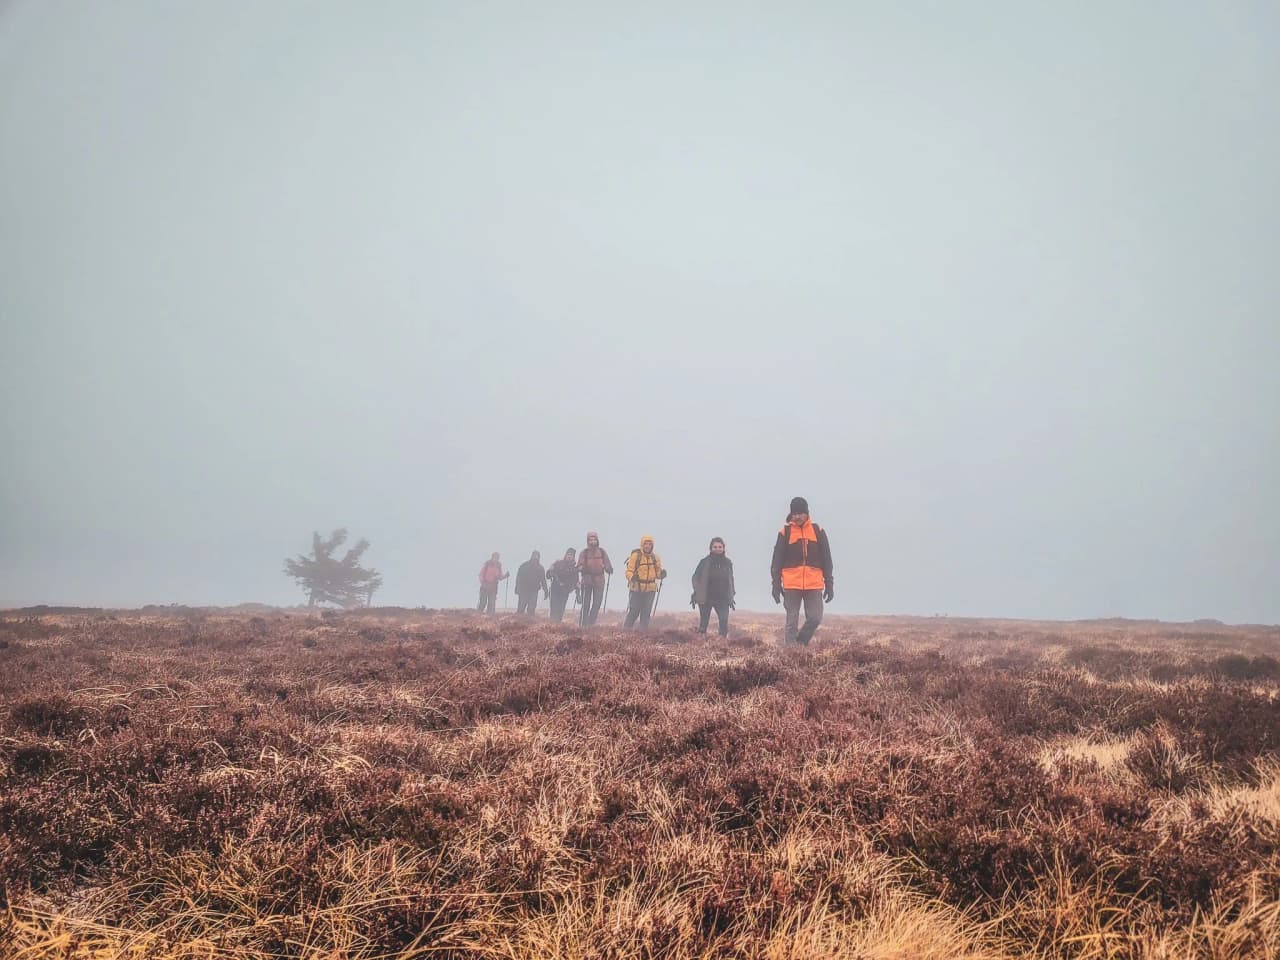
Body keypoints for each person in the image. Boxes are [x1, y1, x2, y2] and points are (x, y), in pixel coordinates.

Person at [770, 497, 833, 645]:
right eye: (794, 513)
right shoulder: (785, 532)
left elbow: (827, 559)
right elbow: (776, 561)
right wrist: (775, 584)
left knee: (815, 617)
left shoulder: (818, 531)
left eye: (800, 513)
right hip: (791, 584)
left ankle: (800, 643)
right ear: (791, 514)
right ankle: (791, 655)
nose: (797, 516)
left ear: (807, 513)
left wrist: (829, 583)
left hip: (814, 583)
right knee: (791, 622)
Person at [690, 537, 735, 637]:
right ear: (710, 548)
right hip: (706, 597)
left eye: (720, 547)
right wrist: (697, 591)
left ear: (724, 548)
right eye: (715, 547)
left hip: (723, 598)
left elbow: (731, 579)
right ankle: (700, 644)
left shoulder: (728, 563)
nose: (717, 549)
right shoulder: (704, 562)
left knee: (723, 622)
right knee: (703, 623)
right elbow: (695, 577)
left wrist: (732, 594)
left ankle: (722, 644)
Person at [623, 535, 667, 630]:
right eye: (645, 544)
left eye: (650, 544)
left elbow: (657, 574)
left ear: (652, 546)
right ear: (642, 545)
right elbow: (628, 571)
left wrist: (662, 574)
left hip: (650, 589)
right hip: (636, 588)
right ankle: (625, 631)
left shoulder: (655, 558)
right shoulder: (635, 556)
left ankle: (642, 634)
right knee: (634, 611)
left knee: (646, 613)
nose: (647, 546)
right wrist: (632, 577)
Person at [576, 532, 613, 626]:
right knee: (586, 605)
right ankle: (583, 625)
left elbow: (608, 564)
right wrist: (582, 568)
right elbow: (579, 566)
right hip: (587, 580)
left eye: (594, 539)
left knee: (597, 604)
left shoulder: (602, 552)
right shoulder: (584, 553)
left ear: (597, 540)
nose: (593, 541)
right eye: (591, 539)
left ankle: (591, 624)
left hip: (599, 581)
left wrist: (608, 569)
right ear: (588, 541)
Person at [546, 548, 579, 622]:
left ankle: (557, 626)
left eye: (571, 555)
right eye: (568, 554)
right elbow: (548, 575)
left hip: (565, 591)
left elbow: (576, 582)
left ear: (573, 557)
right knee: (554, 609)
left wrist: (578, 595)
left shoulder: (574, 569)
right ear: (565, 555)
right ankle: (552, 626)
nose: (569, 556)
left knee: (561, 610)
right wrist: (551, 573)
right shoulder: (557, 563)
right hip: (555, 589)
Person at [514, 550, 547, 615]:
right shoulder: (524, 566)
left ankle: (529, 623)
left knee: (531, 610)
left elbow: (543, 580)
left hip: (534, 591)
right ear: (531, 556)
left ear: (539, 558)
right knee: (520, 609)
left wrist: (546, 591)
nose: (536, 558)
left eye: (537, 556)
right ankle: (517, 623)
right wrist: (517, 587)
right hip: (524, 590)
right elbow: (519, 578)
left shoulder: (540, 568)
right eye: (534, 556)